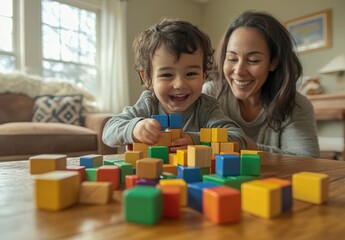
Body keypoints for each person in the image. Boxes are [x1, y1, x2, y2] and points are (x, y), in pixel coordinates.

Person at [102, 18, 248, 152]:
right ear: (147, 78)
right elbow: (109, 131)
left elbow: (238, 138)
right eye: (167, 75)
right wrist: (134, 128)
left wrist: (195, 139)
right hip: (153, 176)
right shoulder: (148, 104)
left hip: (196, 178)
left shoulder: (207, 108)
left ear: (204, 76)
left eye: (190, 74)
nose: (179, 84)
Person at [203, 10, 320, 157]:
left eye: (253, 60)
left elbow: (308, 161)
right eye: (232, 58)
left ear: (273, 62)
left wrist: (243, 145)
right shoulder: (210, 95)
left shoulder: (296, 105)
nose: (239, 71)